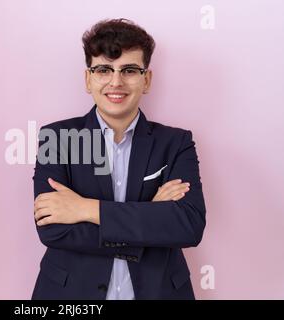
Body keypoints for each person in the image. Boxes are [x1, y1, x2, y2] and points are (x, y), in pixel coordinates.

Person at [31, 18, 206, 300]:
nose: (116, 82)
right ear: (88, 79)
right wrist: (151, 217)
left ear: (146, 79)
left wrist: (87, 209)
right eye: (103, 69)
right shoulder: (58, 137)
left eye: (129, 70)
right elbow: (53, 230)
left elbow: (188, 225)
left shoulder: (176, 143)